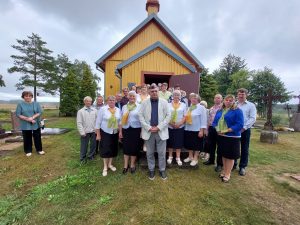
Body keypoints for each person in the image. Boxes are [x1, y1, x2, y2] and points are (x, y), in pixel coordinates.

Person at [138, 84, 171, 180]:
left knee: (162, 153)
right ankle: (151, 169)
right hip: (149, 131)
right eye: (152, 91)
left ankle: (162, 170)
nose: (154, 93)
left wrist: (159, 127)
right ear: (149, 92)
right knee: (149, 153)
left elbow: (168, 116)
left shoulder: (164, 102)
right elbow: (140, 116)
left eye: (156, 91)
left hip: (161, 131)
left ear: (158, 91)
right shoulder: (144, 103)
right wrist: (148, 127)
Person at [212, 94, 244, 182]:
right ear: (224, 101)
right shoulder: (220, 110)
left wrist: (227, 130)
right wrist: (217, 129)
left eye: (231, 100)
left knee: (230, 156)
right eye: (227, 100)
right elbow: (215, 122)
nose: (228, 102)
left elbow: (240, 124)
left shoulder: (237, 111)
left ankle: (228, 173)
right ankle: (224, 170)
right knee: (223, 154)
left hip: (232, 136)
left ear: (234, 101)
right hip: (221, 136)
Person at [96, 95, 121, 176]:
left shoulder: (118, 110)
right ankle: (105, 167)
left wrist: (120, 132)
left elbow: (120, 122)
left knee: (113, 148)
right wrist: (98, 135)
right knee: (105, 149)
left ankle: (110, 164)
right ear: (107, 101)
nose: (111, 101)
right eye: (110, 100)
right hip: (105, 132)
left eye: (113, 100)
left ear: (115, 101)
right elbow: (98, 122)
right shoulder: (103, 109)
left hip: (115, 132)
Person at [119, 91, 142, 174]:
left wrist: (142, 131)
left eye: (133, 96)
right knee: (126, 147)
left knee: (134, 147)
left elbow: (142, 120)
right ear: (128, 97)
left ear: (136, 97)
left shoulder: (139, 106)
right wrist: (120, 131)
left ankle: (132, 165)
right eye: (130, 96)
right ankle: (125, 165)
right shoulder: (124, 107)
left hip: (136, 129)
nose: (132, 97)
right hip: (126, 129)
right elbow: (121, 120)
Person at [16, 91, 44, 157]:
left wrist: (32, 118)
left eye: (29, 96)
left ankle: (39, 150)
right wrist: (28, 119)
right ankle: (28, 150)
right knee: (27, 137)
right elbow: (18, 114)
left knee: (37, 136)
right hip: (25, 123)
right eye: (26, 96)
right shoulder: (20, 104)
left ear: (31, 96)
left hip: (35, 122)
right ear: (23, 97)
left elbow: (39, 112)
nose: (28, 97)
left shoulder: (36, 103)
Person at [236, 88, 257, 176]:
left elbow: (253, 118)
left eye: (243, 94)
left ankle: (242, 167)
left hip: (245, 130)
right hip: (234, 129)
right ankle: (233, 164)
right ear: (237, 95)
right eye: (239, 94)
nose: (241, 96)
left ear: (246, 95)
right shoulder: (234, 104)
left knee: (244, 148)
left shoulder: (251, 105)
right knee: (234, 147)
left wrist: (244, 128)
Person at [183, 93, 207, 166]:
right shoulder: (189, 107)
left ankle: (195, 158)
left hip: (197, 130)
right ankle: (190, 157)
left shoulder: (201, 107)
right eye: (192, 98)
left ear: (198, 100)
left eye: (195, 98)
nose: (193, 99)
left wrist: (201, 130)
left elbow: (204, 120)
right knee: (189, 144)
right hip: (188, 128)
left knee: (196, 145)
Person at [203, 94, 223, 171]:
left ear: (221, 99)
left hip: (219, 129)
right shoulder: (211, 108)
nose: (217, 99)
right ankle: (211, 160)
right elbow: (208, 119)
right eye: (215, 98)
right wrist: (207, 129)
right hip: (211, 128)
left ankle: (219, 164)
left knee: (219, 147)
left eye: (218, 98)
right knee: (211, 145)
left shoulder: (223, 108)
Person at [167, 90, 186, 166]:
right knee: (170, 142)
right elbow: (166, 115)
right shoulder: (168, 104)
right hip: (170, 126)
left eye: (178, 95)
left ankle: (178, 157)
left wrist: (179, 124)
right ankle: (170, 156)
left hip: (180, 126)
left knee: (178, 142)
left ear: (180, 96)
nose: (176, 96)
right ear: (172, 96)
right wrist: (171, 123)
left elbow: (185, 116)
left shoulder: (183, 105)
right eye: (175, 94)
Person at [77, 96, 98, 163]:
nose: (88, 102)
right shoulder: (80, 111)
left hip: (93, 131)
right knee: (84, 146)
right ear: (84, 102)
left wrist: (96, 130)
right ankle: (82, 158)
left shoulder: (95, 110)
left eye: (90, 101)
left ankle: (91, 156)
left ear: (91, 102)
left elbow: (97, 121)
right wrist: (82, 132)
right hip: (85, 132)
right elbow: (79, 123)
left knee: (93, 145)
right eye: (87, 101)